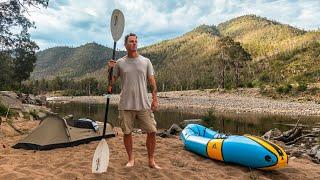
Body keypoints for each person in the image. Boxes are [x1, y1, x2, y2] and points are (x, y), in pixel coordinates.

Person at [107, 33, 161, 169]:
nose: (134, 43)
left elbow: (152, 82)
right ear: (125, 45)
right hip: (125, 104)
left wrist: (155, 99)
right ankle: (131, 159)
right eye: (131, 41)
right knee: (127, 132)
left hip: (144, 104)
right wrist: (109, 69)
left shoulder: (146, 61)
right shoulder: (120, 63)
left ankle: (151, 160)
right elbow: (111, 83)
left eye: (136, 41)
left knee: (152, 131)